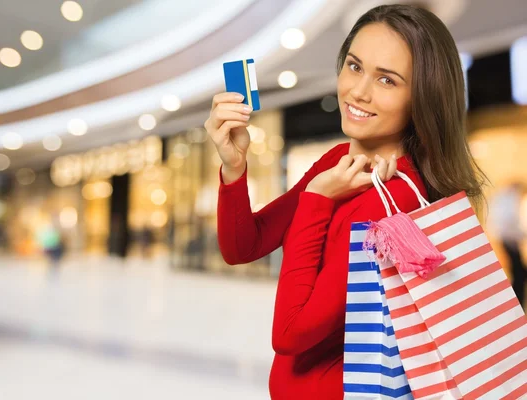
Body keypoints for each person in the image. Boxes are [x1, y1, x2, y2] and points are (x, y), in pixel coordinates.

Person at [204, 4, 487, 399]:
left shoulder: (396, 202)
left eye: (387, 80)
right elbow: (244, 246)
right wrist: (234, 170)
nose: (358, 91)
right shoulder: (338, 161)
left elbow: (290, 333)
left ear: (423, 98)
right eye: (354, 66)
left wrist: (317, 199)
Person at [490, 182, 526, 307]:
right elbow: (509, 223)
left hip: (507, 239)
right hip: (508, 240)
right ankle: (517, 303)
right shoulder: (508, 200)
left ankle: (517, 303)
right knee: (518, 273)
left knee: (519, 272)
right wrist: (522, 234)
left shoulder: (503, 200)